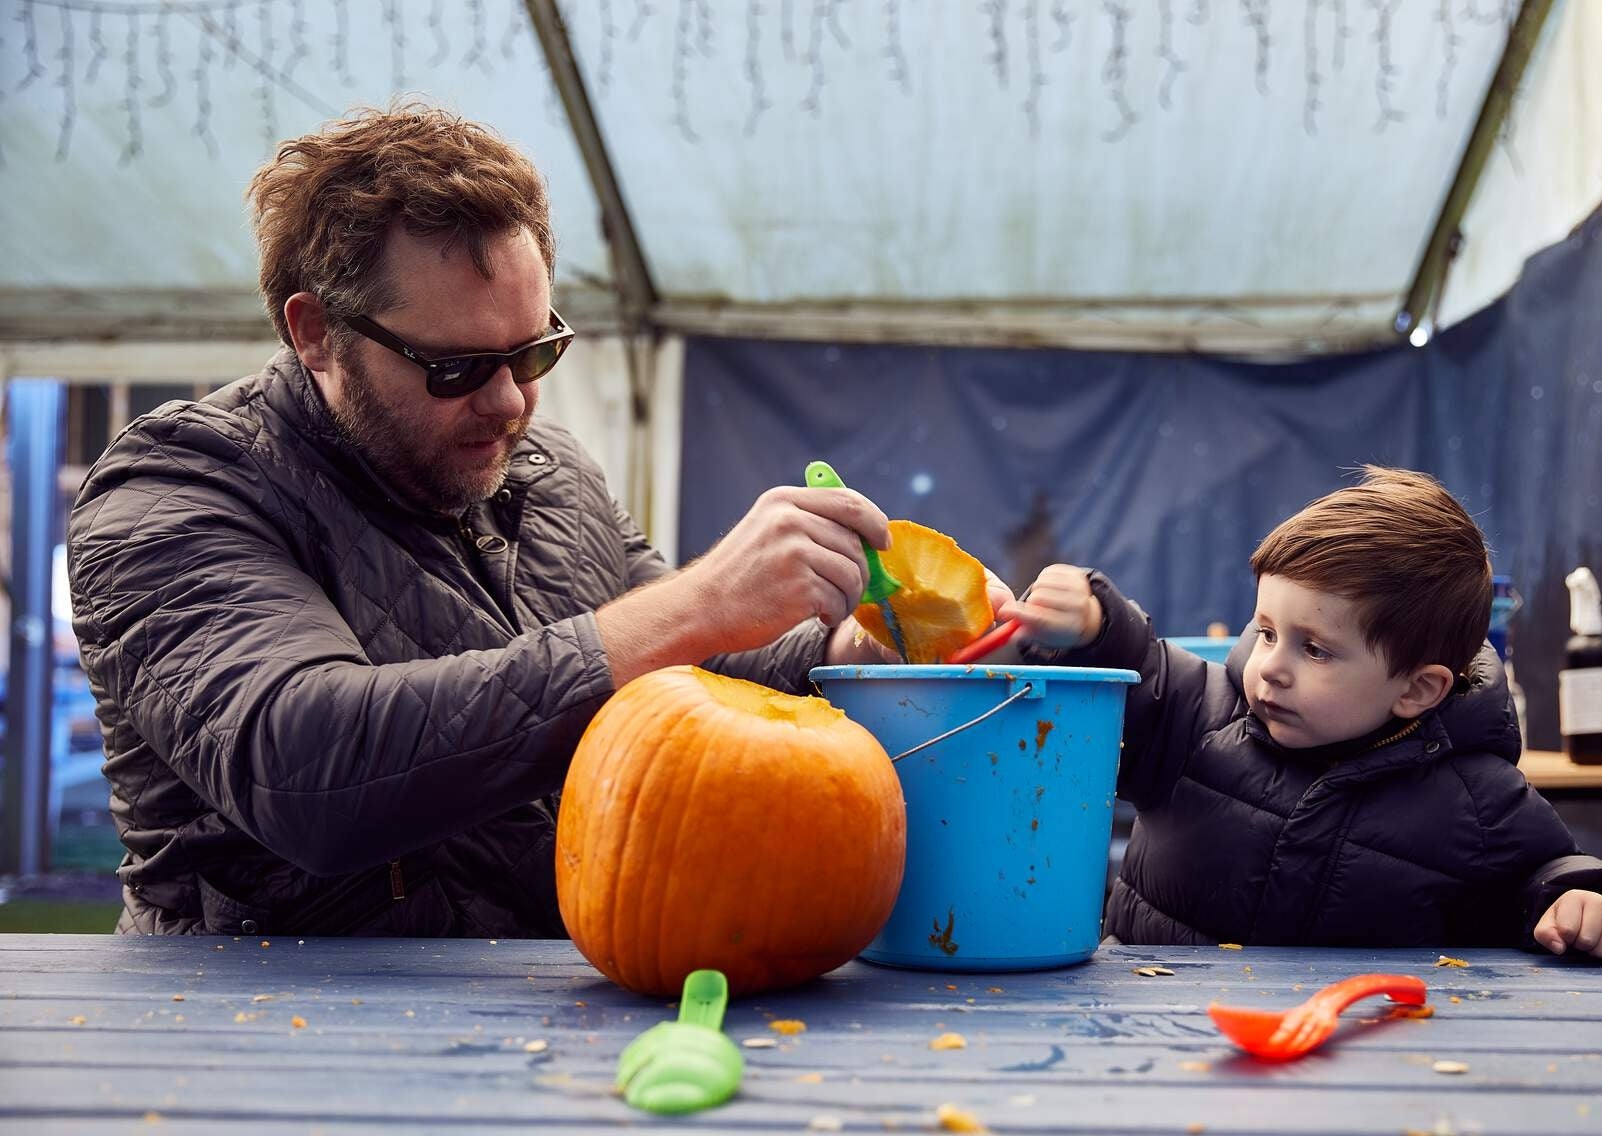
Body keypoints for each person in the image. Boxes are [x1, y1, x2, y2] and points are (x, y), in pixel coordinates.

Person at [66, 105, 998, 936]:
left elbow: (697, 674)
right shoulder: (174, 490)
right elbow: (304, 764)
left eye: (535, 350)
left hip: (542, 1009)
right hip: (255, 1038)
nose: (511, 403)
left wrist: (856, 644)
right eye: (456, 368)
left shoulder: (549, 472)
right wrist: (701, 602)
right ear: (315, 334)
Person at [997, 467, 1602, 959]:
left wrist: (1578, 901)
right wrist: (1092, 622)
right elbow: (1139, 671)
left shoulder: (1480, 802)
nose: (1272, 666)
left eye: (1314, 648)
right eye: (1266, 631)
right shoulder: (1198, 717)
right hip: (1141, 1039)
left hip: (1357, 1069)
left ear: (1417, 690)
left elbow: (1541, 876)